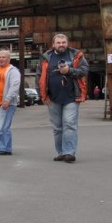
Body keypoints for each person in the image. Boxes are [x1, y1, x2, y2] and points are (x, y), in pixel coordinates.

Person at [39, 33, 89, 163]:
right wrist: (43, 95)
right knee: (57, 128)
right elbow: (39, 76)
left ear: (67, 43)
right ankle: (61, 152)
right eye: (58, 43)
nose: (61, 45)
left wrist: (69, 71)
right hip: (52, 98)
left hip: (72, 97)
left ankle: (69, 152)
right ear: (53, 44)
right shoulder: (46, 57)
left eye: (63, 42)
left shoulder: (76, 55)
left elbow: (84, 70)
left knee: (69, 124)